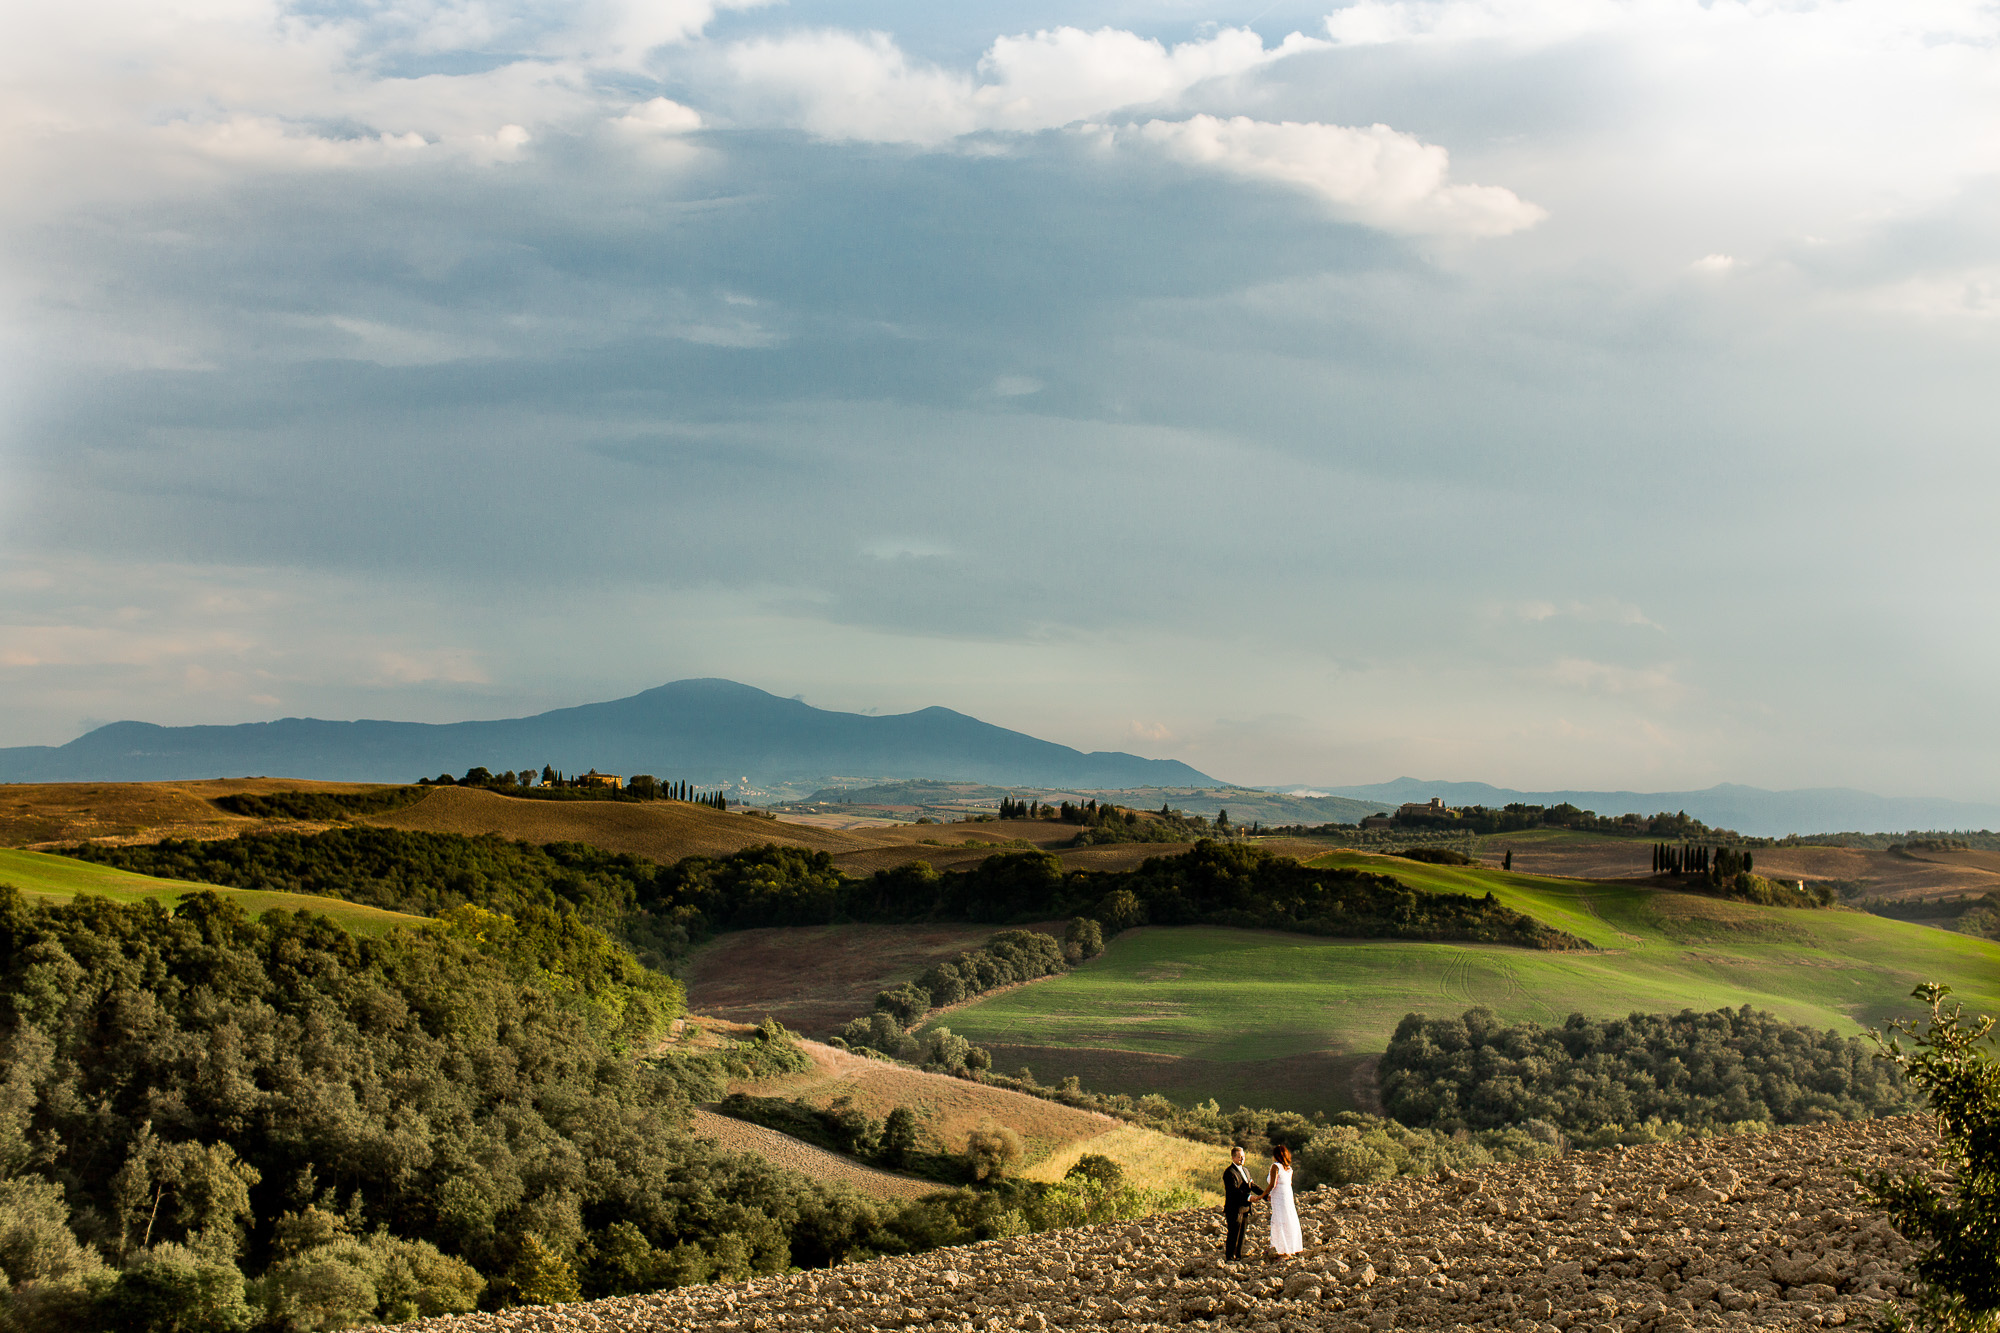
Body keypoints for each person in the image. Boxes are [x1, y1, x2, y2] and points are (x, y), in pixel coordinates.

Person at [1221, 1146, 1258, 1261]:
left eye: (1243, 1157)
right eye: (1239, 1157)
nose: (1242, 1159)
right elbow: (1233, 1191)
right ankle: (1230, 1257)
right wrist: (1249, 1197)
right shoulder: (1229, 1173)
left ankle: (1238, 1256)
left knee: (1241, 1234)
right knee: (1233, 1234)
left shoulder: (1246, 1170)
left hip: (1245, 1208)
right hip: (1234, 1208)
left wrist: (1266, 1195)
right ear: (1233, 1157)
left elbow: (1252, 1185)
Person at [1264, 1144, 1302, 1256]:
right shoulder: (1289, 1169)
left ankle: (1282, 1249)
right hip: (1287, 1197)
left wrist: (1262, 1195)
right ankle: (1288, 1247)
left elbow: (1272, 1184)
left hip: (1279, 1198)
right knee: (1288, 1219)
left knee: (1279, 1220)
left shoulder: (1275, 1166)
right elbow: (1287, 1184)